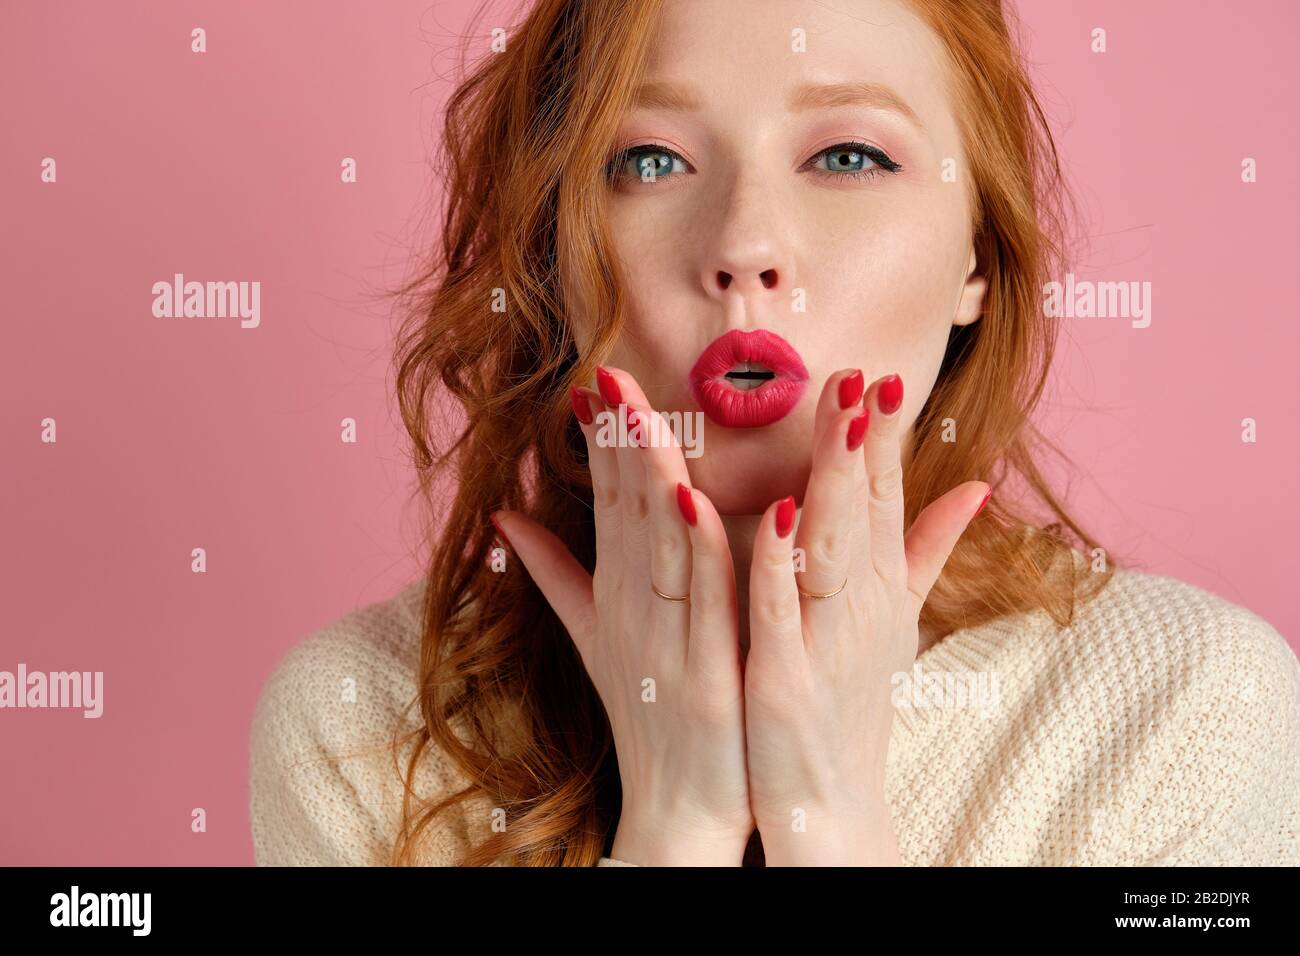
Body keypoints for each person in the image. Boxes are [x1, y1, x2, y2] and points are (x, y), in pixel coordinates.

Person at [248, 0, 1300, 866]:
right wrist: (677, 828)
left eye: (847, 155)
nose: (745, 246)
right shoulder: (363, 730)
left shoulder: (1186, 709)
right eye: (650, 161)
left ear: (976, 257)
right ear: (551, 258)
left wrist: (827, 818)